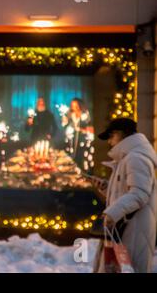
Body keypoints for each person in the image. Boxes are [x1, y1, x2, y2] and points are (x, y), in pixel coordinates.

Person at [93, 118, 157, 273]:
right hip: (127, 229)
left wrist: (110, 214)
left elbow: (139, 194)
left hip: (133, 231)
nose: (109, 142)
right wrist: (107, 188)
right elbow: (129, 192)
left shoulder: (136, 157)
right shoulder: (130, 157)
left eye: (110, 137)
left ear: (119, 134)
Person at [62, 98, 94, 172]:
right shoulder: (70, 114)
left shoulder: (85, 115)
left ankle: (83, 172)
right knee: (71, 158)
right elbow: (65, 126)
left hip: (82, 141)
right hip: (71, 141)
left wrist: (82, 130)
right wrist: (65, 122)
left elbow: (90, 127)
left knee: (81, 158)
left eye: (76, 105)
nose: (74, 107)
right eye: (73, 105)